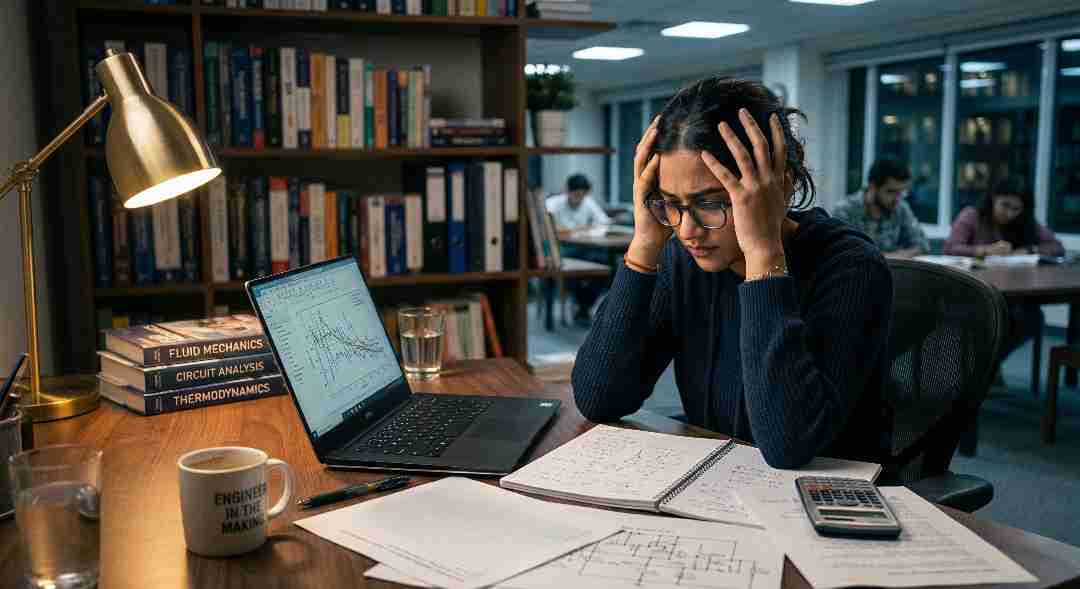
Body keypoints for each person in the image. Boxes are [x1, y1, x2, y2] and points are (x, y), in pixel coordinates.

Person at [571, 77, 894, 469]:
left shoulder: (851, 267)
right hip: (719, 486)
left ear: (782, 186)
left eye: (711, 203)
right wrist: (643, 246)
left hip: (823, 500)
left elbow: (788, 445)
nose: (687, 230)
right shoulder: (683, 260)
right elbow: (598, 398)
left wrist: (763, 256)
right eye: (671, 204)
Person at [944, 176, 1065, 360]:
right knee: (992, 317)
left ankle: (988, 364)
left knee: (1032, 318)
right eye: (1004, 205)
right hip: (975, 291)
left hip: (1013, 292)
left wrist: (1029, 250)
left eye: (1016, 209)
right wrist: (985, 250)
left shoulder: (1025, 223)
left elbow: (1057, 247)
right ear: (993, 198)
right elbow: (950, 248)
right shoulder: (972, 215)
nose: (1009, 213)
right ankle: (985, 367)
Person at [546, 174, 611, 326]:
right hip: (561, 249)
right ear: (567, 191)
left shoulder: (588, 203)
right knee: (571, 268)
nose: (579, 199)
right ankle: (581, 306)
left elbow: (604, 223)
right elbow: (548, 228)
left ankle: (584, 306)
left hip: (583, 247)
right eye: (576, 195)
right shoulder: (553, 204)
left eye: (582, 195)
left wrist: (585, 230)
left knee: (603, 264)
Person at [832, 157, 930, 258]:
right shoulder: (845, 211)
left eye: (901, 192)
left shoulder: (900, 208)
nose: (897, 198)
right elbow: (840, 254)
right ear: (872, 186)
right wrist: (884, 259)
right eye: (891, 191)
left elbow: (922, 245)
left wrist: (888, 258)